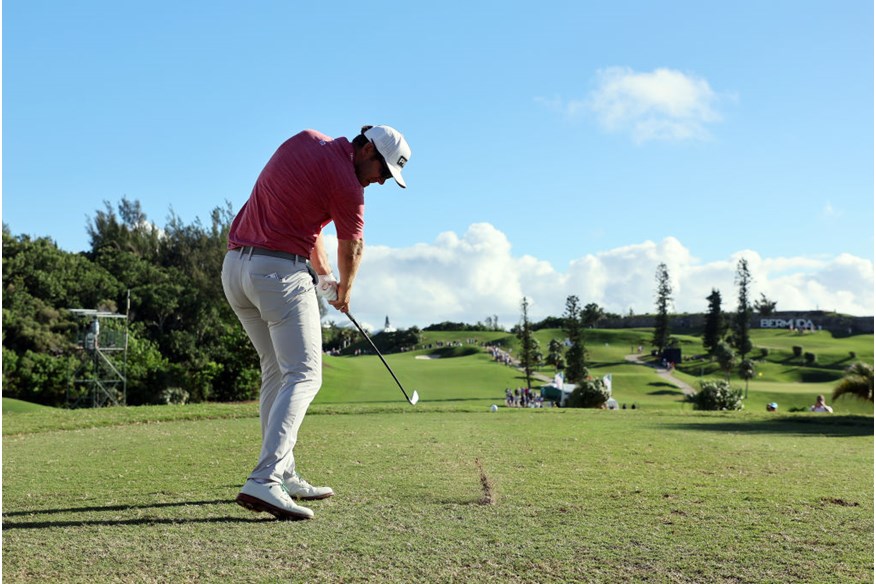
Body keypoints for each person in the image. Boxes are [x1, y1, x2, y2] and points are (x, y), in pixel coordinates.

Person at [221, 125, 412, 520]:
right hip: (276, 273)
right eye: (383, 172)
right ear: (367, 151)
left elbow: (306, 225)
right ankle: (265, 479)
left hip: (236, 270)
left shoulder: (306, 140)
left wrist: (324, 278)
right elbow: (353, 246)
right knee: (305, 374)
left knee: (276, 371)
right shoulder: (349, 185)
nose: (379, 181)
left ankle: (284, 473)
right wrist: (344, 291)